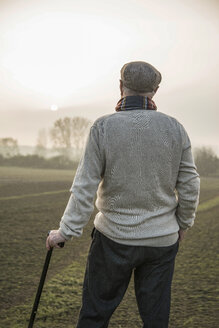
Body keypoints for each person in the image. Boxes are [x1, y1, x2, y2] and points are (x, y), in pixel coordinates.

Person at [46, 61, 200, 328]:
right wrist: (183, 223)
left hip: (112, 239)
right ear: (155, 90)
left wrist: (65, 231)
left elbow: (85, 185)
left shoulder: (103, 127)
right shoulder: (175, 128)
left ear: (120, 87)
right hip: (161, 243)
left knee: (94, 316)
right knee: (156, 320)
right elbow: (190, 184)